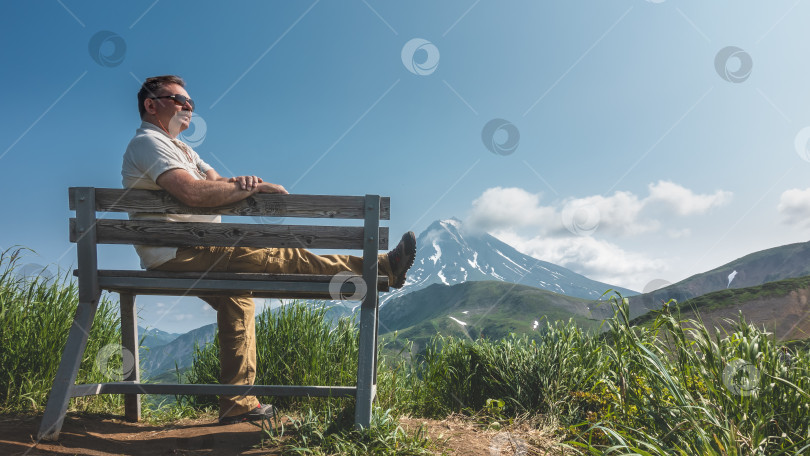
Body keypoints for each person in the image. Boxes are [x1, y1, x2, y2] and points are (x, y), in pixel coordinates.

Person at [121, 75, 416, 425]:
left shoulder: (183, 149)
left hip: (196, 249)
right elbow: (194, 194)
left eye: (190, 102)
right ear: (150, 105)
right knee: (282, 255)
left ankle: (236, 404)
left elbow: (215, 183)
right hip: (182, 252)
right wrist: (247, 188)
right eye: (177, 99)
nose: (188, 106)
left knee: (236, 298)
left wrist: (252, 185)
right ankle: (381, 267)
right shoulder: (148, 143)